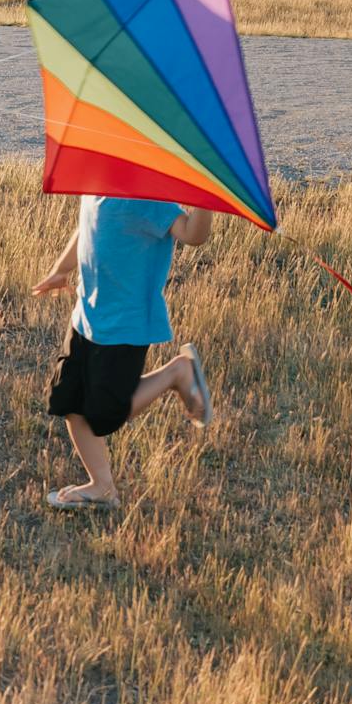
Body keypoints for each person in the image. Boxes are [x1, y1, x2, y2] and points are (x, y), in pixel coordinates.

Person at [30, 196, 216, 509]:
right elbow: (86, 229)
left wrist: (204, 199)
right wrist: (61, 269)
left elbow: (194, 235)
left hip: (125, 328)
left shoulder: (151, 201)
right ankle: (101, 486)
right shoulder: (96, 188)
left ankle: (177, 372)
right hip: (85, 318)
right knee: (68, 401)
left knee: (106, 412)